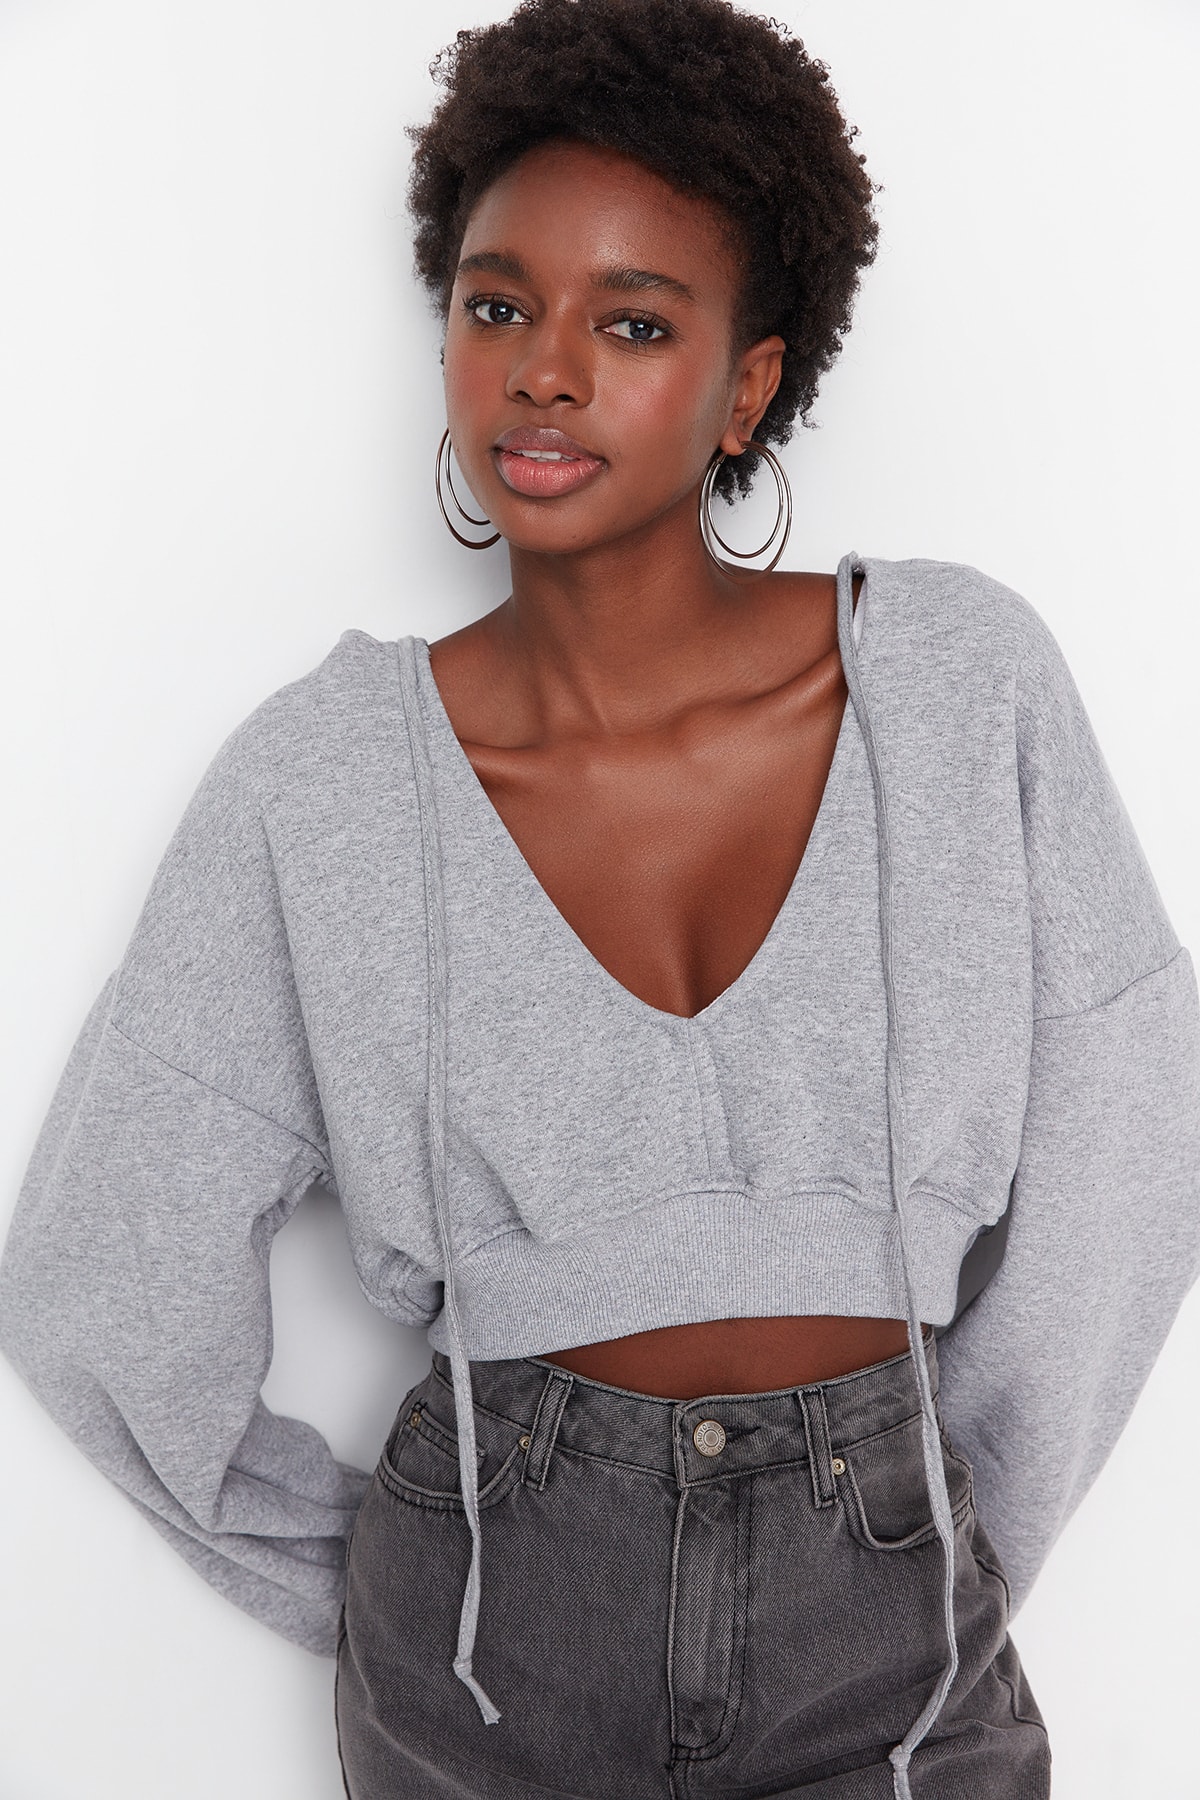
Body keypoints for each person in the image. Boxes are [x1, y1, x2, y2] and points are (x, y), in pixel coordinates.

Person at [2, 1, 1198, 1796]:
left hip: (890, 1650)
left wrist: (940, 1531)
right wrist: (402, 1583)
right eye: (498, 308)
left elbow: (1133, 1152)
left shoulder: (961, 685)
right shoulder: (321, 782)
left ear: (749, 385)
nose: (544, 372)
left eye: (632, 323)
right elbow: (100, 1281)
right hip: (488, 1665)